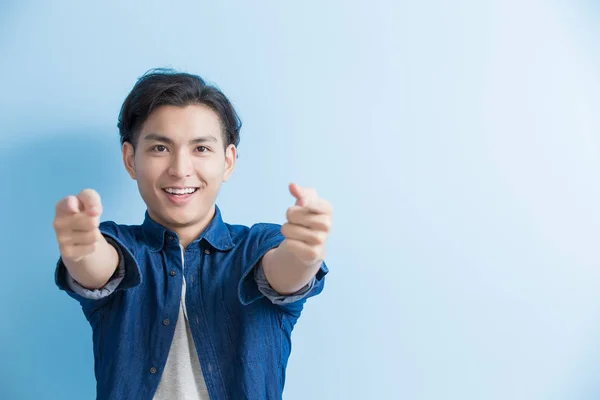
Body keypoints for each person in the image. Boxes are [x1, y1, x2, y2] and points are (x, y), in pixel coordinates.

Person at [52, 69, 332, 400]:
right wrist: (82, 251)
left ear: (228, 161)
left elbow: (284, 273)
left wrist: (303, 255)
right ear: (131, 159)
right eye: (159, 148)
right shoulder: (116, 244)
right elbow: (100, 267)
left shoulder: (259, 246)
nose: (180, 168)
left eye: (201, 149)